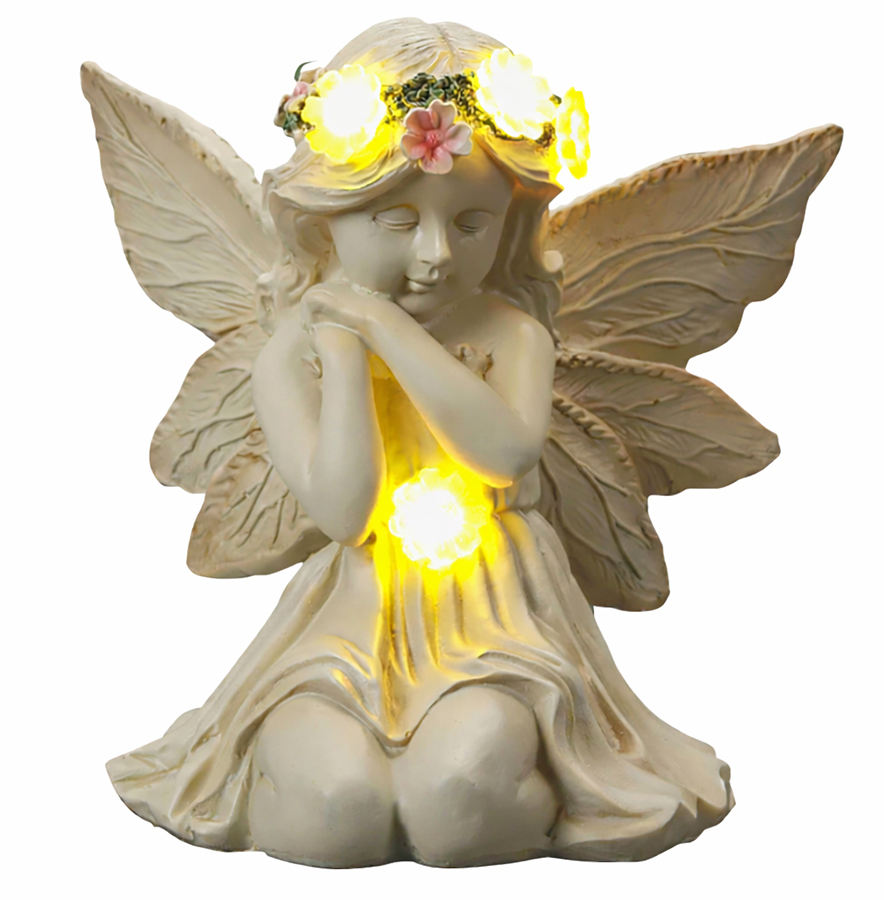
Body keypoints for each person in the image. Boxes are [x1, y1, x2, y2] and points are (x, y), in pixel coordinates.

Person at [105, 19, 733, 867]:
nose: (436, 255)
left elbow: (504, 454)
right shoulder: (292, 356)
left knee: (460, 803)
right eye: (397, 220)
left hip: (500, 623)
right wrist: (341, 354)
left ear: (511, 223)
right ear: (327, 218)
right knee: (331, 816)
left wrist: (384, 329)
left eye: (472, 223)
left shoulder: (513, 334)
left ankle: (535, 787)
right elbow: (345, 511)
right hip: (347, 625)